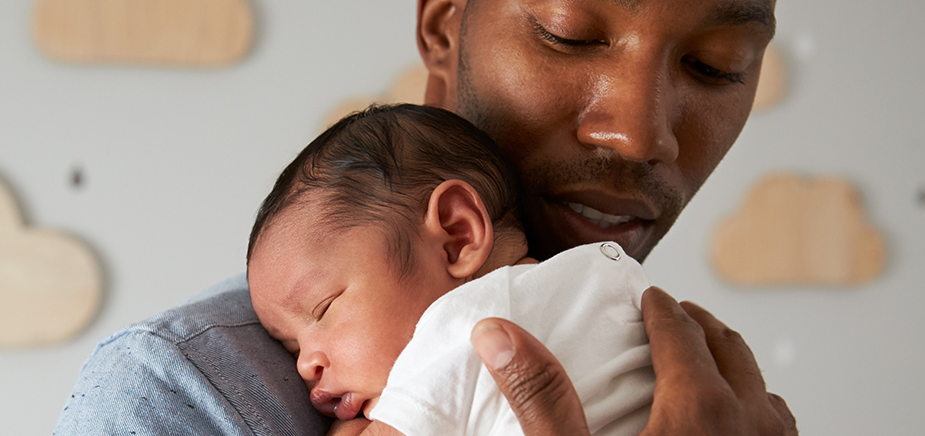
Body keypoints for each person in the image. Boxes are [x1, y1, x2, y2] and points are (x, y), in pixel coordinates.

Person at [54, 0, 798, 433]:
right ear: (445, 25)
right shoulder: (180, 394)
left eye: (715, 64)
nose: (640, 134)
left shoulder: (706, 393)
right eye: (570, 32)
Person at [247, 104, 655, 436]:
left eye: (323, 308)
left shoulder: (464, 326)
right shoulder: (590, 287)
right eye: (293, 349)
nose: (304, 366)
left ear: (456, 237)